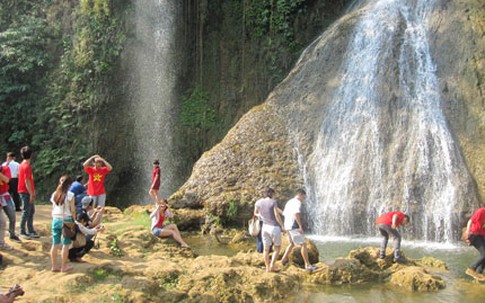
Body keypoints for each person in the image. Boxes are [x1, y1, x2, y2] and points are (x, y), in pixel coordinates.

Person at [280, 189, 317, 272]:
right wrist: (300, 226)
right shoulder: (297, 202)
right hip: (293, 226)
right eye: (304, 197)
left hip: (287, 226)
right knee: (303, 244)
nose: (304, 199)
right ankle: (307, 265)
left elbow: (284, 214)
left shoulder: (289, 202)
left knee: (292, 243)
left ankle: (283, 260)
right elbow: (296, 213)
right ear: (300, 195)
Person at [253, 187, 284, 272]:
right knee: (277, 247)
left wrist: (260, 216)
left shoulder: (259, 202)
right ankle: (272, 266)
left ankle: (267, 267)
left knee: (266, 249)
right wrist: (282, 225)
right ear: (271, 194)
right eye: (274, 194)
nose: (274, 196)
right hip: (274, 227)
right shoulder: (273, 202)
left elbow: (255, 213)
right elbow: (277, 215)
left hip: (265, 227)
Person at [50, 175, 76, 272]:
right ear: (69, 185)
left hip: (55, 219)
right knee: (65, 244)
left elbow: (53, 207)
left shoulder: (54, 194)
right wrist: (74, 221)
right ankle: (63, 266)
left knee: (55, 243)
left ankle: (53, 266)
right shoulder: (70, 195)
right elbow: (72, 210)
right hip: (66, 219)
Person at [18, 146, 39, 239]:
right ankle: (22, 231)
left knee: (31, 210)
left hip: (25, 190)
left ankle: (30, 230)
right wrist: (31, 193)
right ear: (31, 155)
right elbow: (27, 181)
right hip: (25, 191)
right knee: (26, 211)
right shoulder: (26, 166)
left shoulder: (22, 164)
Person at [0, 164, 20, 243]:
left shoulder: (5, 168)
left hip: (5, 195)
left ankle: (12, 234)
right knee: (1, 221)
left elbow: (7, 180)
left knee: (12, 215)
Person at [464, 208, 485, 281]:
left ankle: (478, 274)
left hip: (480, 236)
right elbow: (470, 221)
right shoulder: (481, 211)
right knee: (484, 254)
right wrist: (467, 232)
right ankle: (471, 268)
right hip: (474, 234)